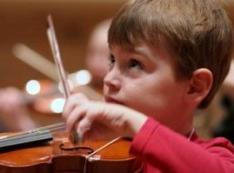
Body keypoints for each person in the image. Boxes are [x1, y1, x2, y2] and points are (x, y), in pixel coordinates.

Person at [63, 0, 234, 172]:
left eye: (134, 64)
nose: (109, 79)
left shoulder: (215, 156)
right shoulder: (101, 151)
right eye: (112, 60)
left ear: (194, 86)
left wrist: (129, 122)